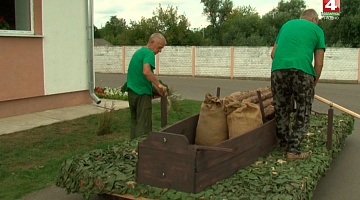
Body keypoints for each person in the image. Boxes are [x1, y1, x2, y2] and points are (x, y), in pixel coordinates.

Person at [270, 9, 326, 161]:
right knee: (303, 110)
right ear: (314, 19)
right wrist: (313, 82)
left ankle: (283, 143)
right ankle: (293, 151)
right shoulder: (317, 30)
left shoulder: (286, 25)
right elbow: (319, 63)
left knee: (281, 108)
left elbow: (273, 54)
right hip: (302, 72)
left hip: (278, 70)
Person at [126, 33, 168, 140]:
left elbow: (140, 77)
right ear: (152, 42)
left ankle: (132, 148)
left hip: (132, 93)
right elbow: (146, 72)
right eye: (159, 47)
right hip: (142, 94)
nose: (160, 51)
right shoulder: (149, 53)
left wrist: (156, 89)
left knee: (135, 122)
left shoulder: (138, 53)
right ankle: (142, 149)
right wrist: (159, 84)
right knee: (144, 124)